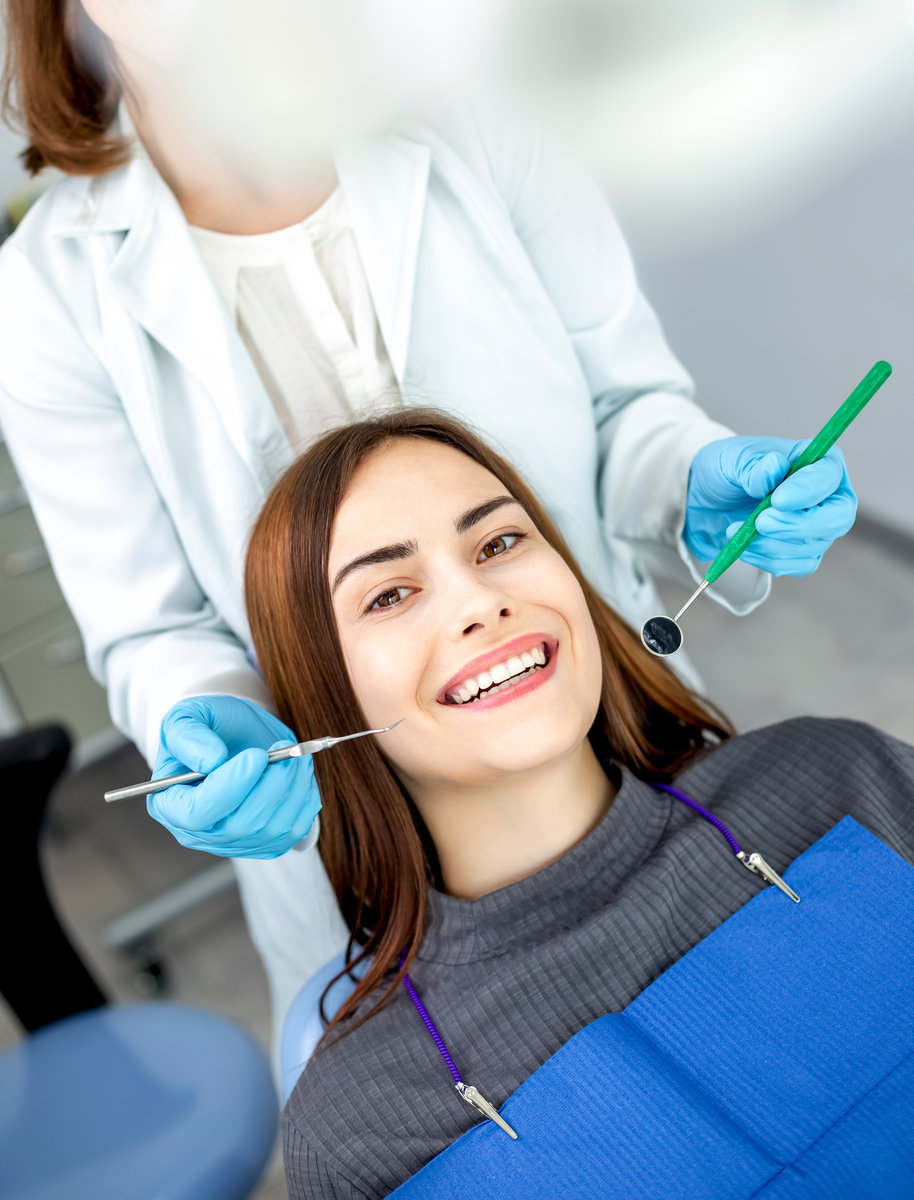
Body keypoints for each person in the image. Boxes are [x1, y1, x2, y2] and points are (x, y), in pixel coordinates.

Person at [0, 1, 858, 1043]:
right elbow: (150, 629)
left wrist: (686, 477)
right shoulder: (47, 297)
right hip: (360, 846)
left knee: (764, 1020)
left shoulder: (485, 123)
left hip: (602, 730)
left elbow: (623, 405)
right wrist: (206, 718)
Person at [241, 408, 914, 1199]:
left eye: (497, 544)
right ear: (329, 706)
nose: (480, 603)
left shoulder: (834, 779)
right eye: (390, 594)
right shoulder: (360, 1122)